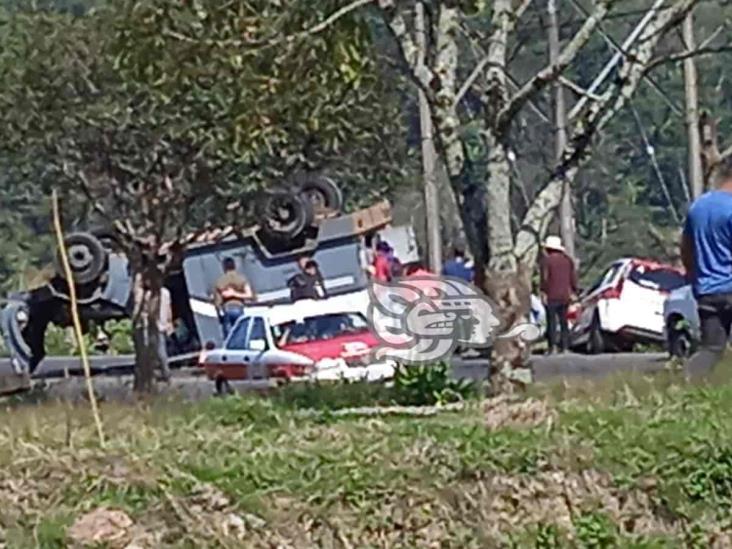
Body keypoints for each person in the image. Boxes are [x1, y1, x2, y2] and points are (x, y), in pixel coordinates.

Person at [681, 158, 732, 379]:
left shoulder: (698, 207)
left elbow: (687, 250)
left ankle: (688, 383)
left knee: (711, 349)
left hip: (707, 292)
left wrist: (695, 279)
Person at [539, 235, 577, 354]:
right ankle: (565, 347)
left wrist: (543, 291)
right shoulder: (568, 261)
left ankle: (553, 347)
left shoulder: (546, 261)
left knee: (552, 322)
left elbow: (545, 279)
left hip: (551, 295)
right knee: (564, 322)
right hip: (565, 295)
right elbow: (573, 278)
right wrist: (574, 291)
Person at [214, 257, 254, 338]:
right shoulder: (242, 279)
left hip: (227, 309)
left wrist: (219, 315)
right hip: (239, 308)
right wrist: (235, 294)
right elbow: (249, 295)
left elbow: (217, 303)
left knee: (229, 337)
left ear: (224, 267)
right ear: (235, 266)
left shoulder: (219, 281)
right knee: (242, 334)